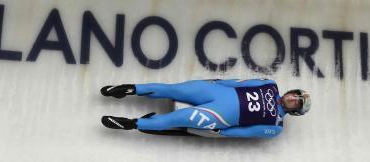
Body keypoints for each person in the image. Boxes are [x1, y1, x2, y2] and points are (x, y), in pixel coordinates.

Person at [99, 79, 310, 139]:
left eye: (296, 102)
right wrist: (216, 83)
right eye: (295, 94)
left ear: (294, 111)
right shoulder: (270, 84)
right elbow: (240, 82)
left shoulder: (275, 126)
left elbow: (246, 132)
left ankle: (131, 123)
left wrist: (222, 133)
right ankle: (129, 89)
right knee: (173, 89)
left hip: (219, 116)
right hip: (216, 91)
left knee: (175, 119)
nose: (293, 98)